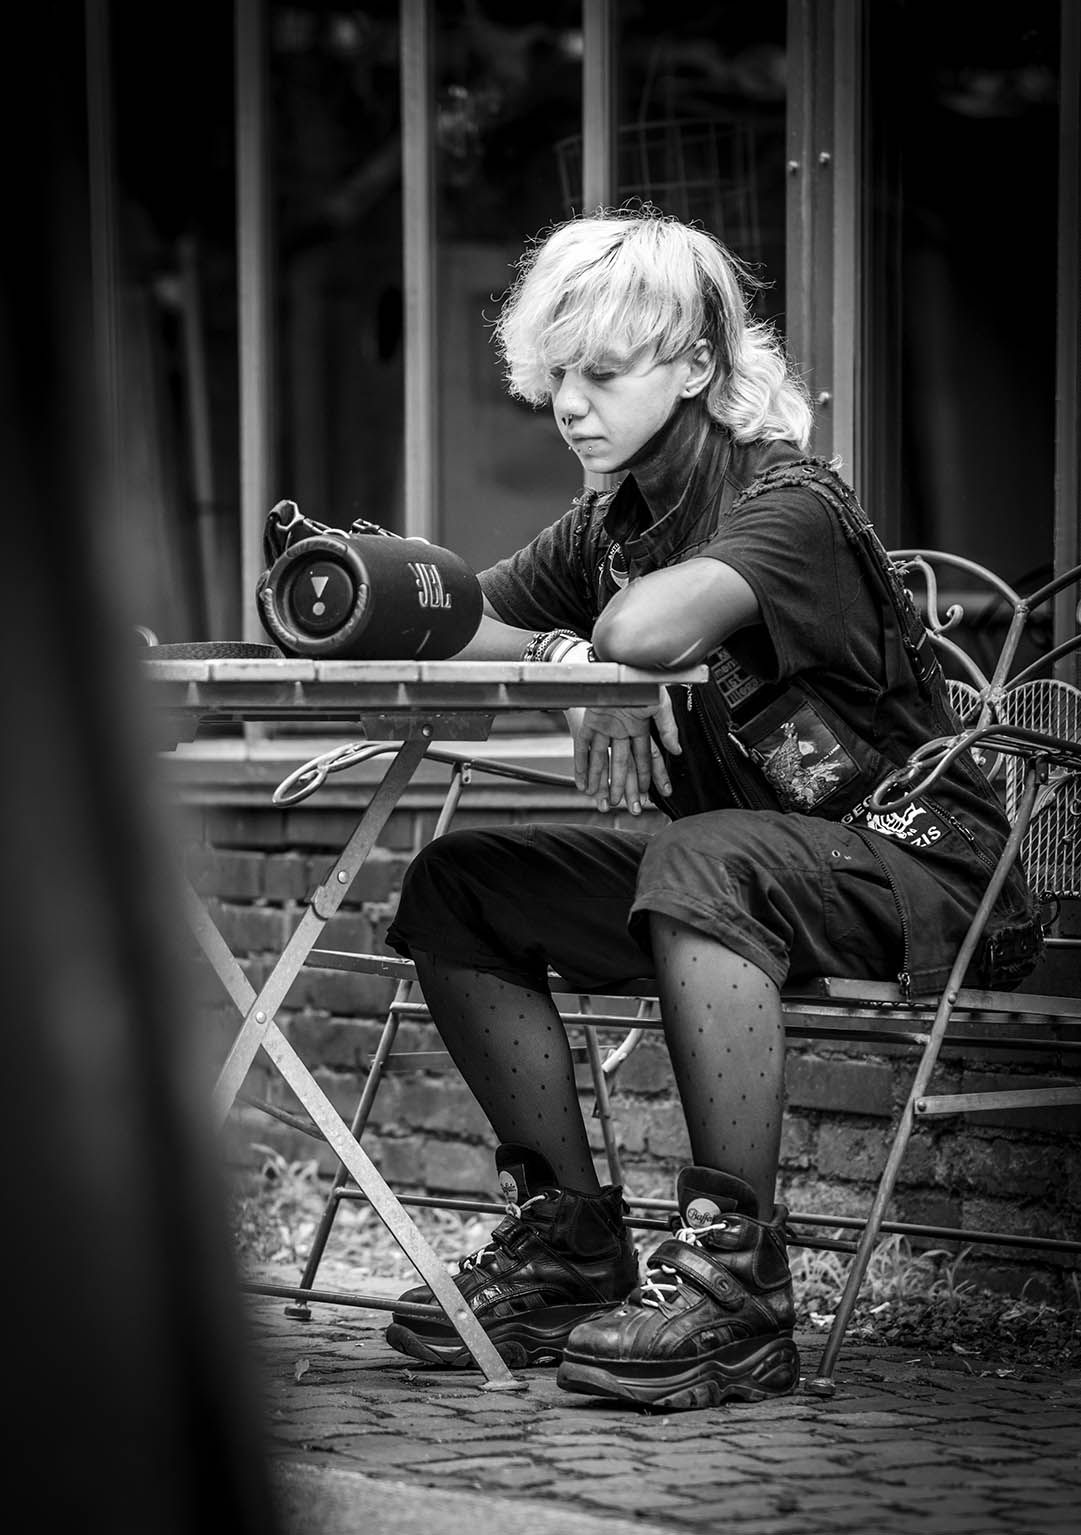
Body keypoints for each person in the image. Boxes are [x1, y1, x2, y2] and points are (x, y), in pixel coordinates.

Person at [381, 206, 1040, 1411]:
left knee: (697, 856)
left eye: (603, 373)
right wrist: (387, 592)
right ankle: (572, 1243)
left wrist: (602, 659)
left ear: (694, 363)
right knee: (459, 883)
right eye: (557, 376)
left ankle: (737, 1287)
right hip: (742, 875)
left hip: (920, 868)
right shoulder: (616, 520)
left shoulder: (790, 505)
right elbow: (466, 620)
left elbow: (643, 629)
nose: (569, 404)